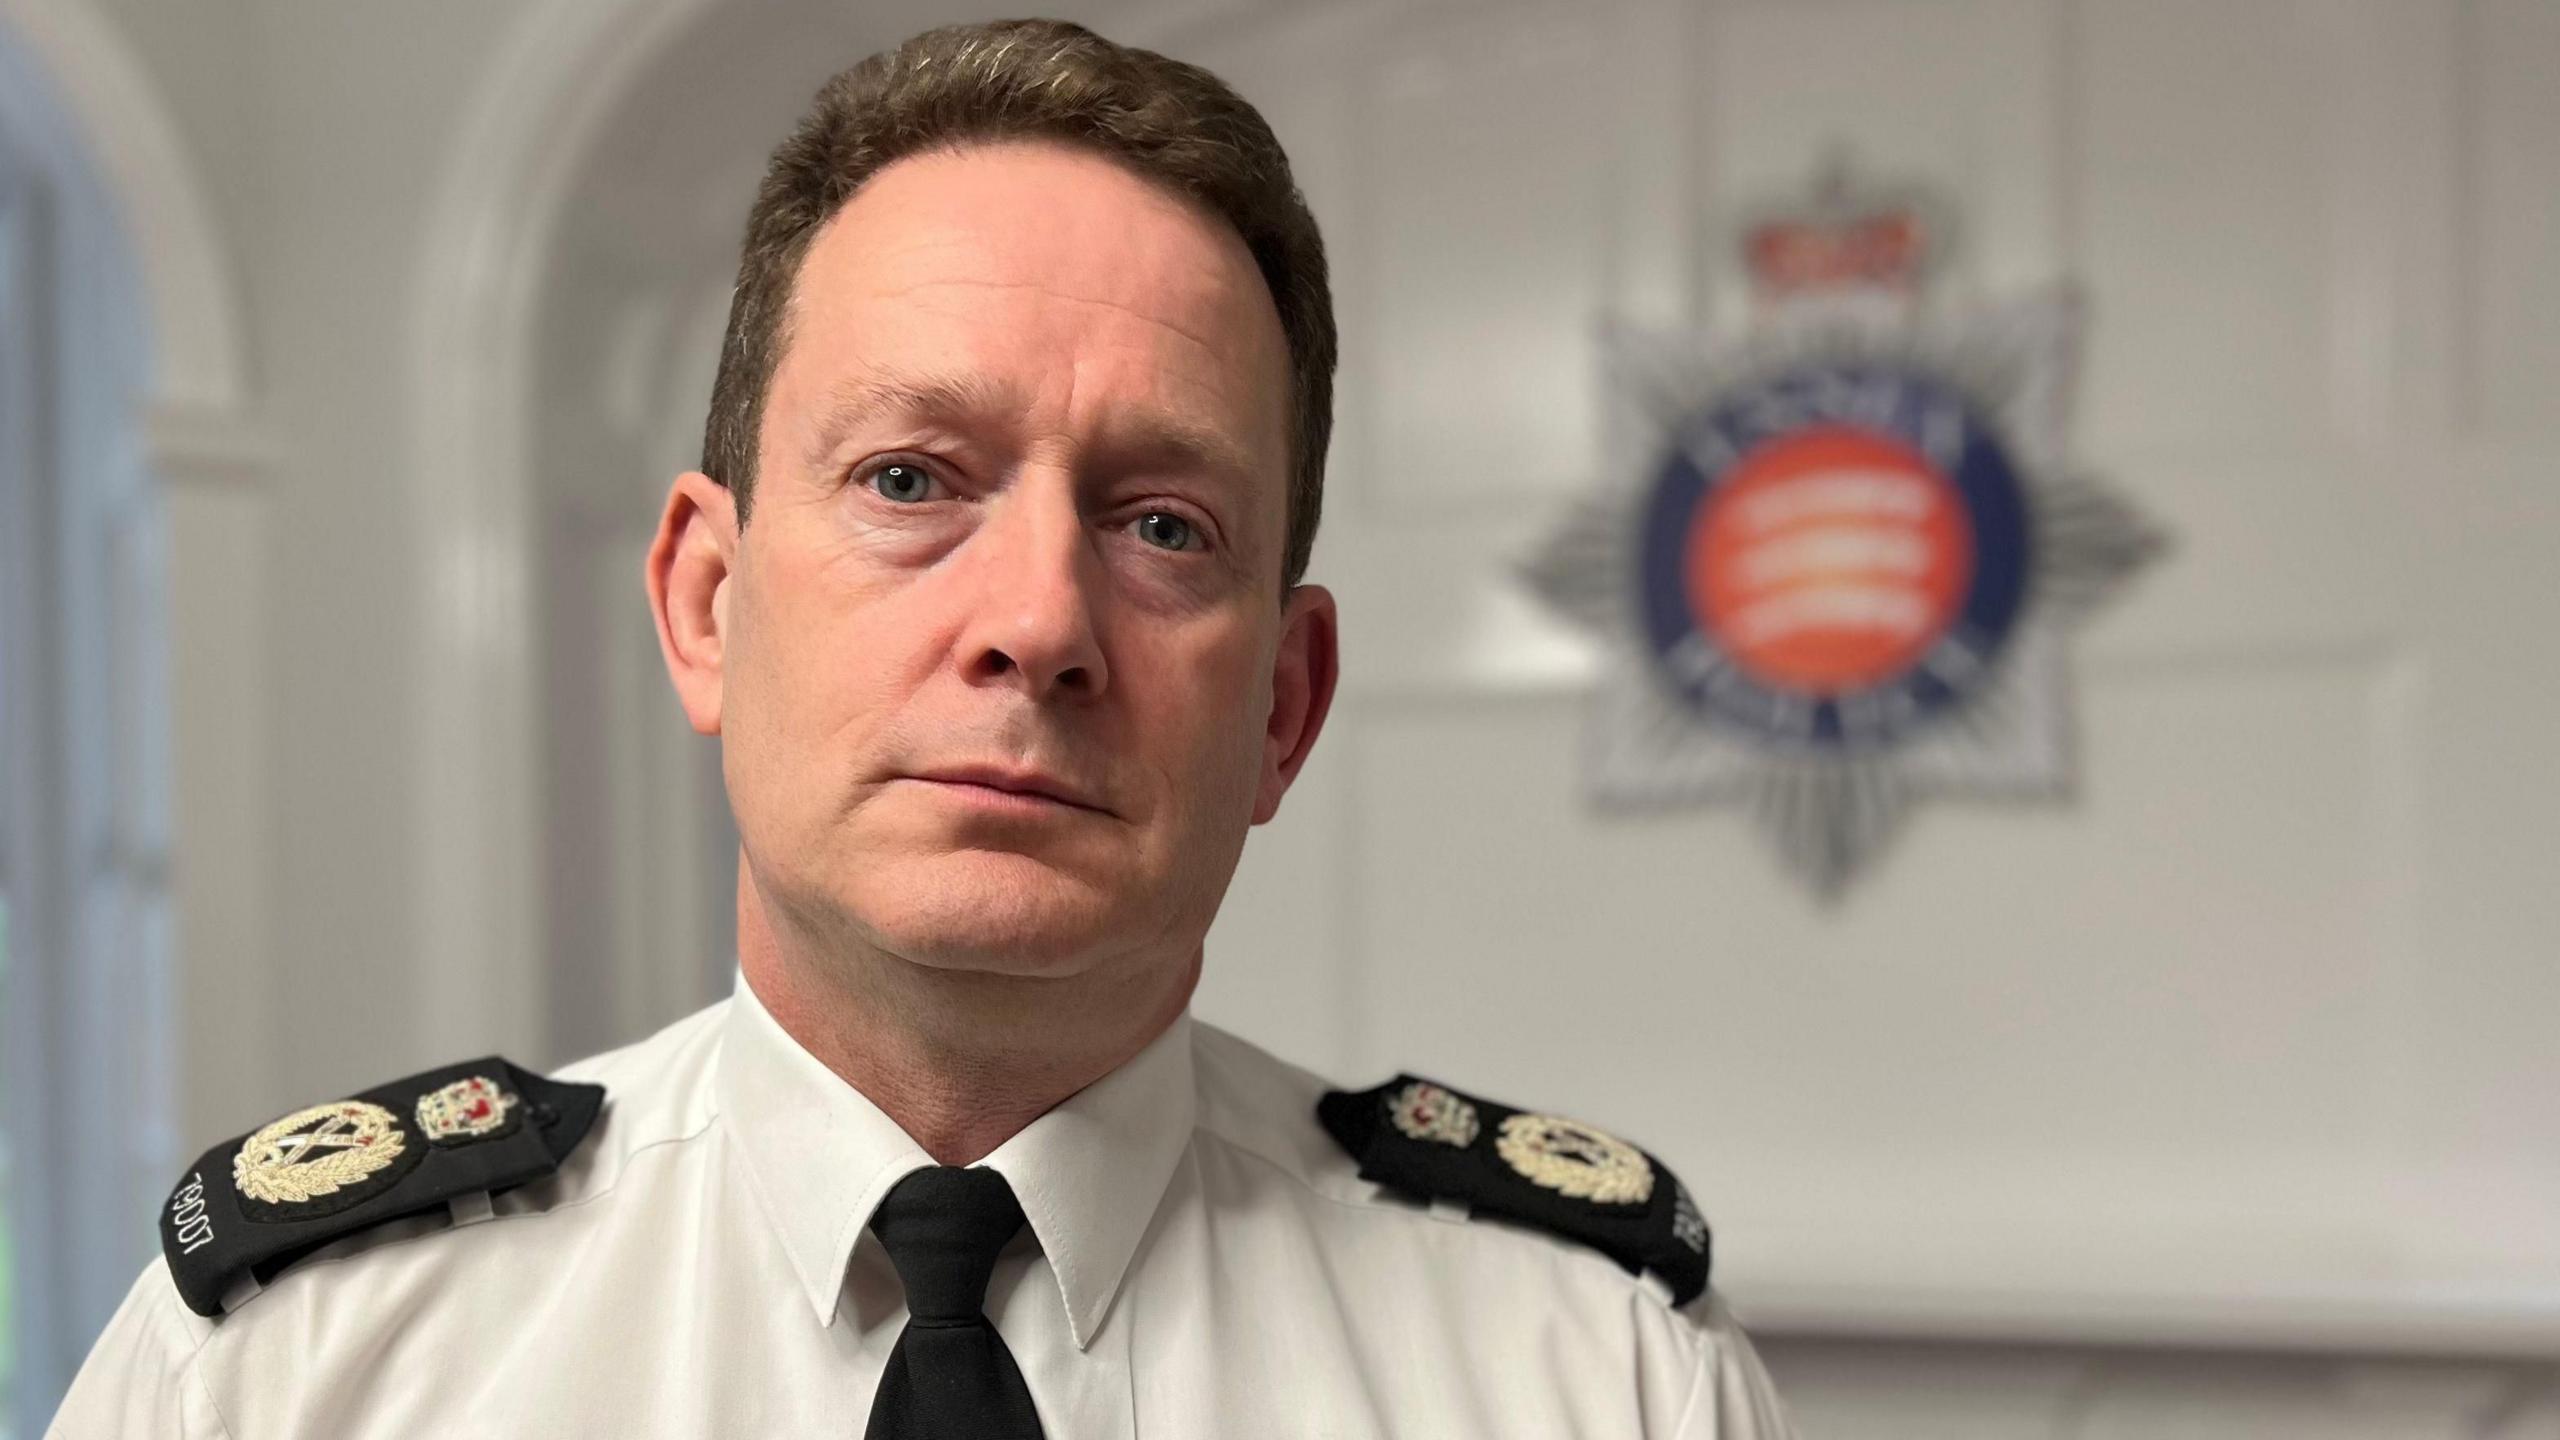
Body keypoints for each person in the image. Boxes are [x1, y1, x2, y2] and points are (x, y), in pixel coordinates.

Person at [53, 18, 1796, 1437]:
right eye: (909, 480)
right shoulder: (296, 1373)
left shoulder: (1599, 1375)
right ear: (707, 605)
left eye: (1164, 524)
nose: (1038, 622)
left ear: (1283, 704)